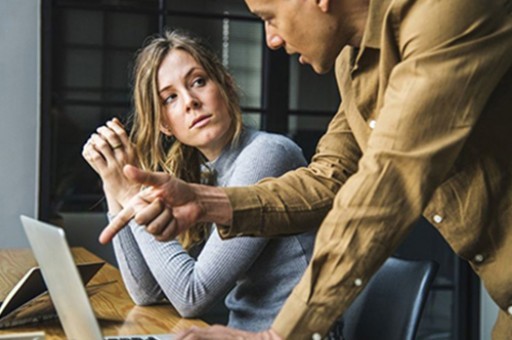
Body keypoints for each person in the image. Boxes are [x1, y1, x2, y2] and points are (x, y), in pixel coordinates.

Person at [102, 0, 512, 339]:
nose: (273, 40)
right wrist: (206, 201)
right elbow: (329, 178)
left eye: (269, 17)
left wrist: (278, 336)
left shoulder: (447, 13)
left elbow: (387, 183)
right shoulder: (352, 63)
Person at [82, 29, 346, 335]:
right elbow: (147, 293)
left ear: (226, 85)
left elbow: (191, 296)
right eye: (170, 98)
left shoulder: (268, 155)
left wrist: (132, 195)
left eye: (198, 81)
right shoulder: (208, 172)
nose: (190, 102)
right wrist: (113, 184)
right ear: (164, 125)